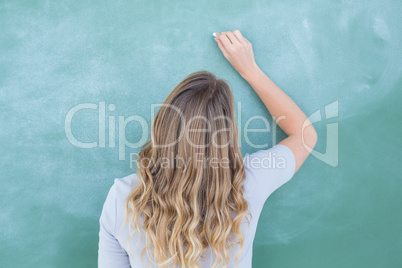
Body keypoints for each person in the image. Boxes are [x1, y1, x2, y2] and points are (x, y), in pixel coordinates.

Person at [98, 30, 318, 268]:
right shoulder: (250, 182)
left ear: (162, 126)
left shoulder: (123, 198)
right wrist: (250, 70)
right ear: (227, 136)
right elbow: (305, 135)